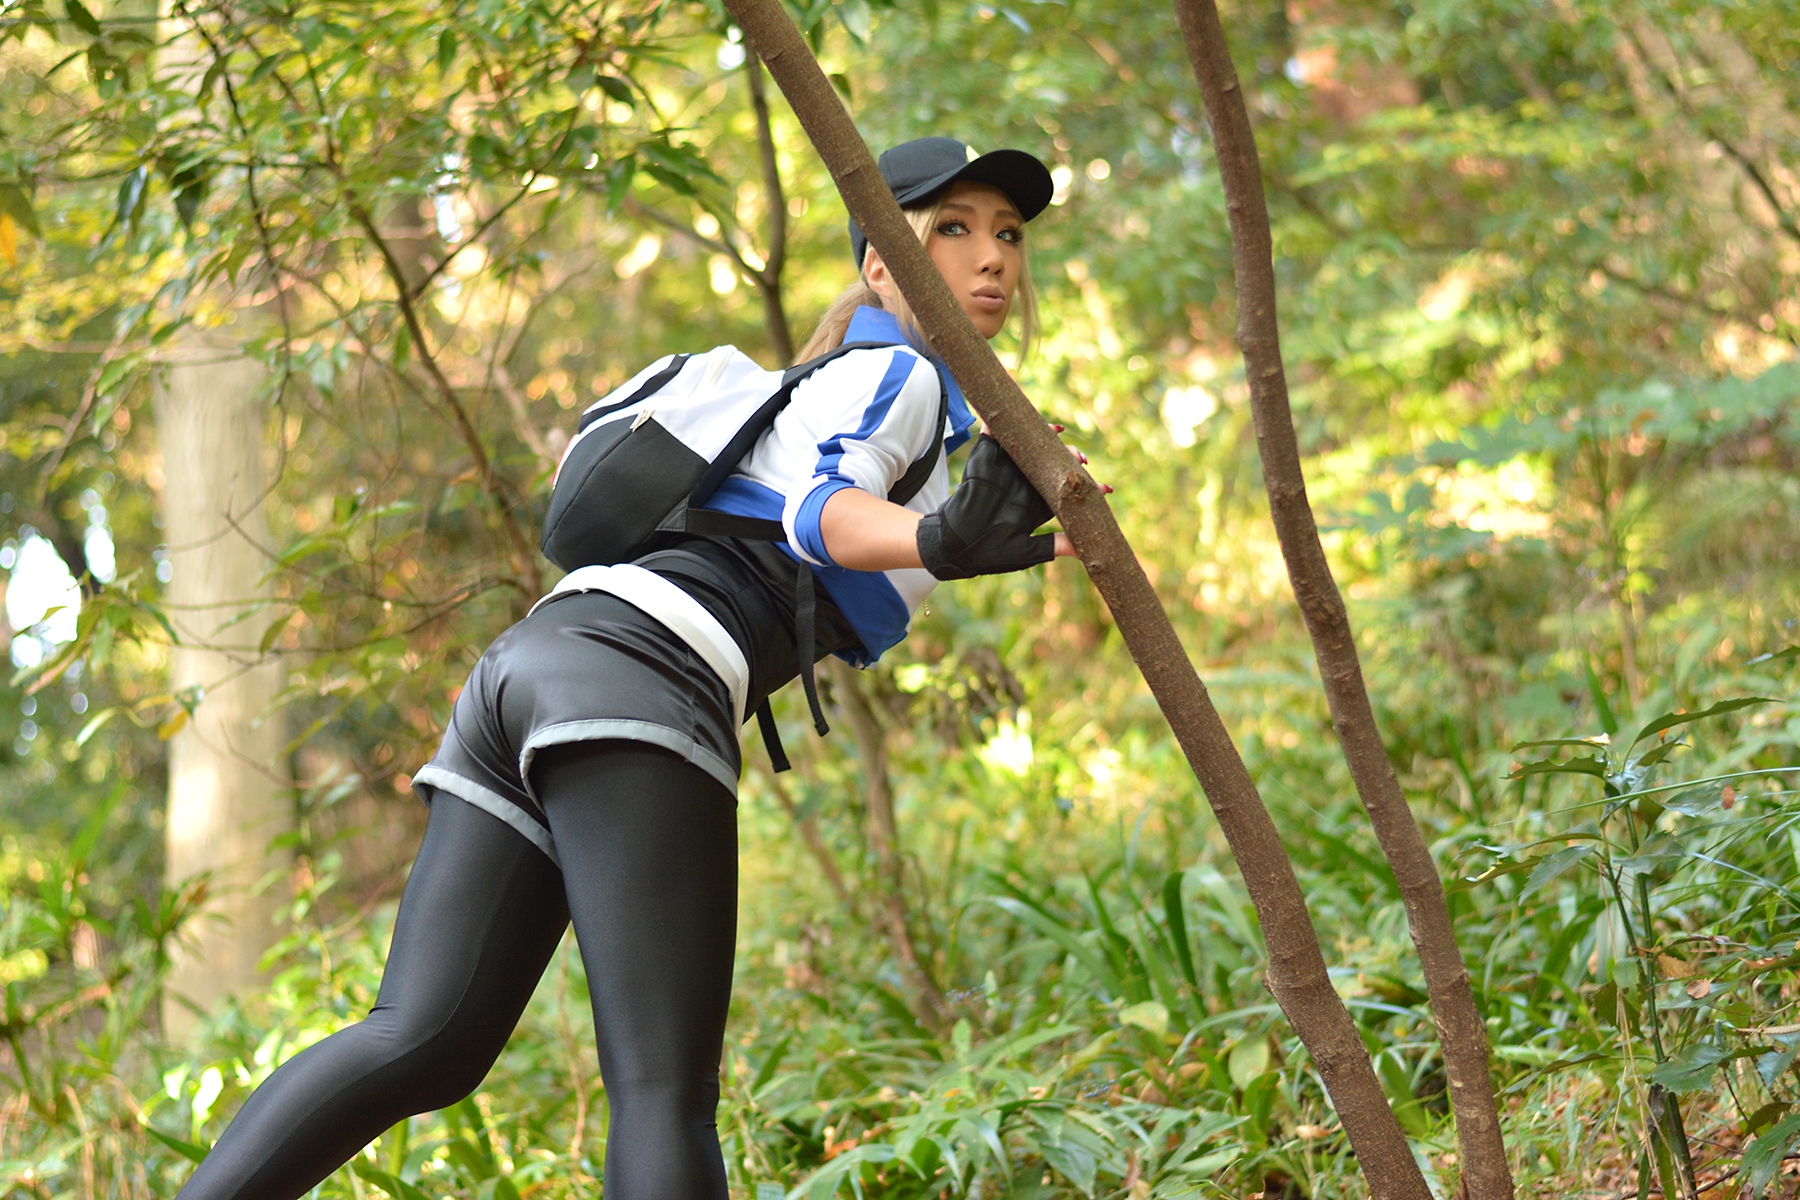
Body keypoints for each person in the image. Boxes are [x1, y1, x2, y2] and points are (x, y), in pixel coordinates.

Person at [175, 136, 1076, 1200]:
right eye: (951, 229)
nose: (991, 257)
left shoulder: (862, 397)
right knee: (661, 1094)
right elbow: (823, 510)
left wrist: (1003, 535)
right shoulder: (898, 374)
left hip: (537, 665)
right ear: (882, 263)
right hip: (644, 673)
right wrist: (936, 542)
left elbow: (879, 538)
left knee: (423, 1038)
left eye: (1008, 235)